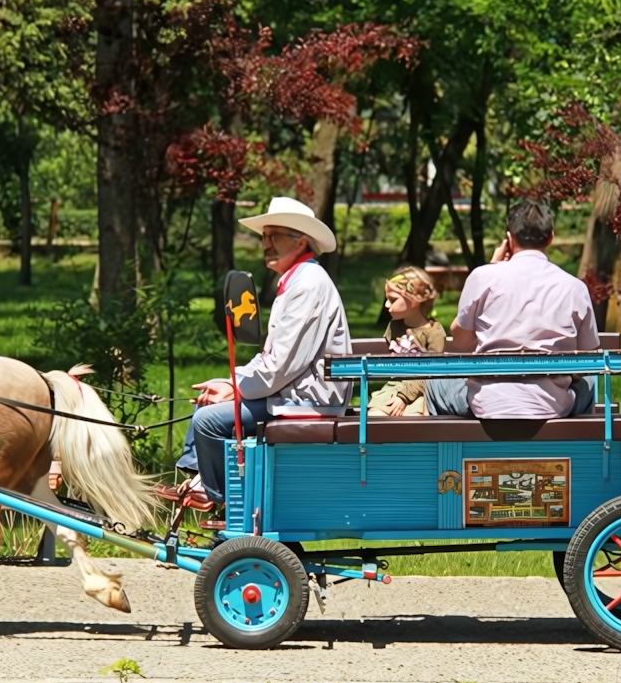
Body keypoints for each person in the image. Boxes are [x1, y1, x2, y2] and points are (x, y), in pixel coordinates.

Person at [166, 197, 351, 508]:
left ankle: (224, 500)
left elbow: (281, 366)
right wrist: (230, 383)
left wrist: (235, 388)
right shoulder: (298, 281)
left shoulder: (308, 285)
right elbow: (275, 357)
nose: (266, 244)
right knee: (206, 402)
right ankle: (199, 479)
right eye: (264, 236)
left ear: (300, 240)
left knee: (207, 421)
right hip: (292, 392)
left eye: (274, 236)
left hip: (307, 400)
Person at [423, 199, 599, 419]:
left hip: (487, 405)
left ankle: (449, 451)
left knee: (435, 381)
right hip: (552, 408)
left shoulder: (482, 277)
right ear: (550, 237)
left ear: (509, 238)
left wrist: (492, 267)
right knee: (593, 382)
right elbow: (587, 361)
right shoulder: (575, 287)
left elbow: (461, 344)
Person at [367, 265, 445, 416]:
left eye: (393, 300)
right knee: (375, 417)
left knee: (412, 419)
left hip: (421, 390)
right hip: (393, 387)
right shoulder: (394, 326)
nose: (386, 305)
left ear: (414, 300)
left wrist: (404, 396)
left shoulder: (434, 333)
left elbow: (431, 373)